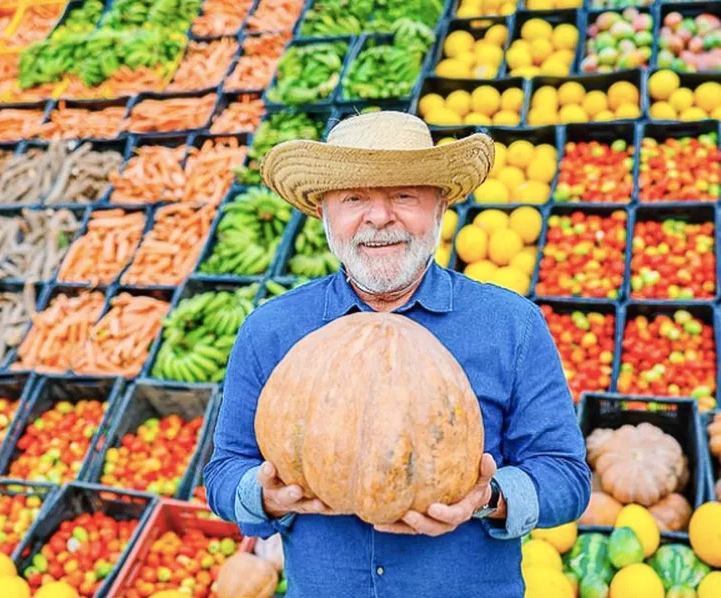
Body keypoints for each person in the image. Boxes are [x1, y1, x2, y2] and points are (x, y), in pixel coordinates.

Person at [203, 110, 591, 597]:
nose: (380, 216)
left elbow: (567, 478)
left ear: (440, 207)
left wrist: (488, 497)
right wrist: (265, 496)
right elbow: (223, 472)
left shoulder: (511, 325)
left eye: (404, 194)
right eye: (354, 198)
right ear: (325, 213)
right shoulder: (271, 331)